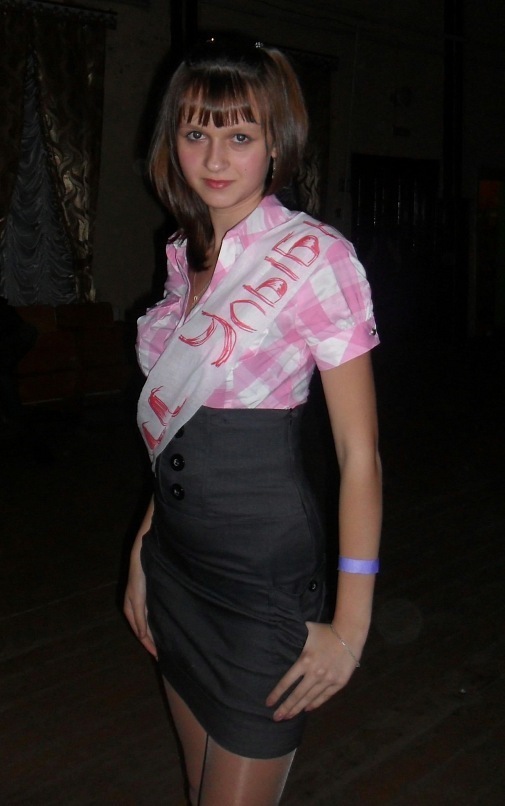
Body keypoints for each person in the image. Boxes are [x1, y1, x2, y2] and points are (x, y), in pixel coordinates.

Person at [124, 38, 382, 806]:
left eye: (239, 136)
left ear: (276, 145)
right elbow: (174, 435)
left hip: (260, 586)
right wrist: (142, 552)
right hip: (175, 570)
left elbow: (359, 454)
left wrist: (350, 627)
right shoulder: (183, 253)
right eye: (195, 132)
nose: (214, 158)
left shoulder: (314, 258)